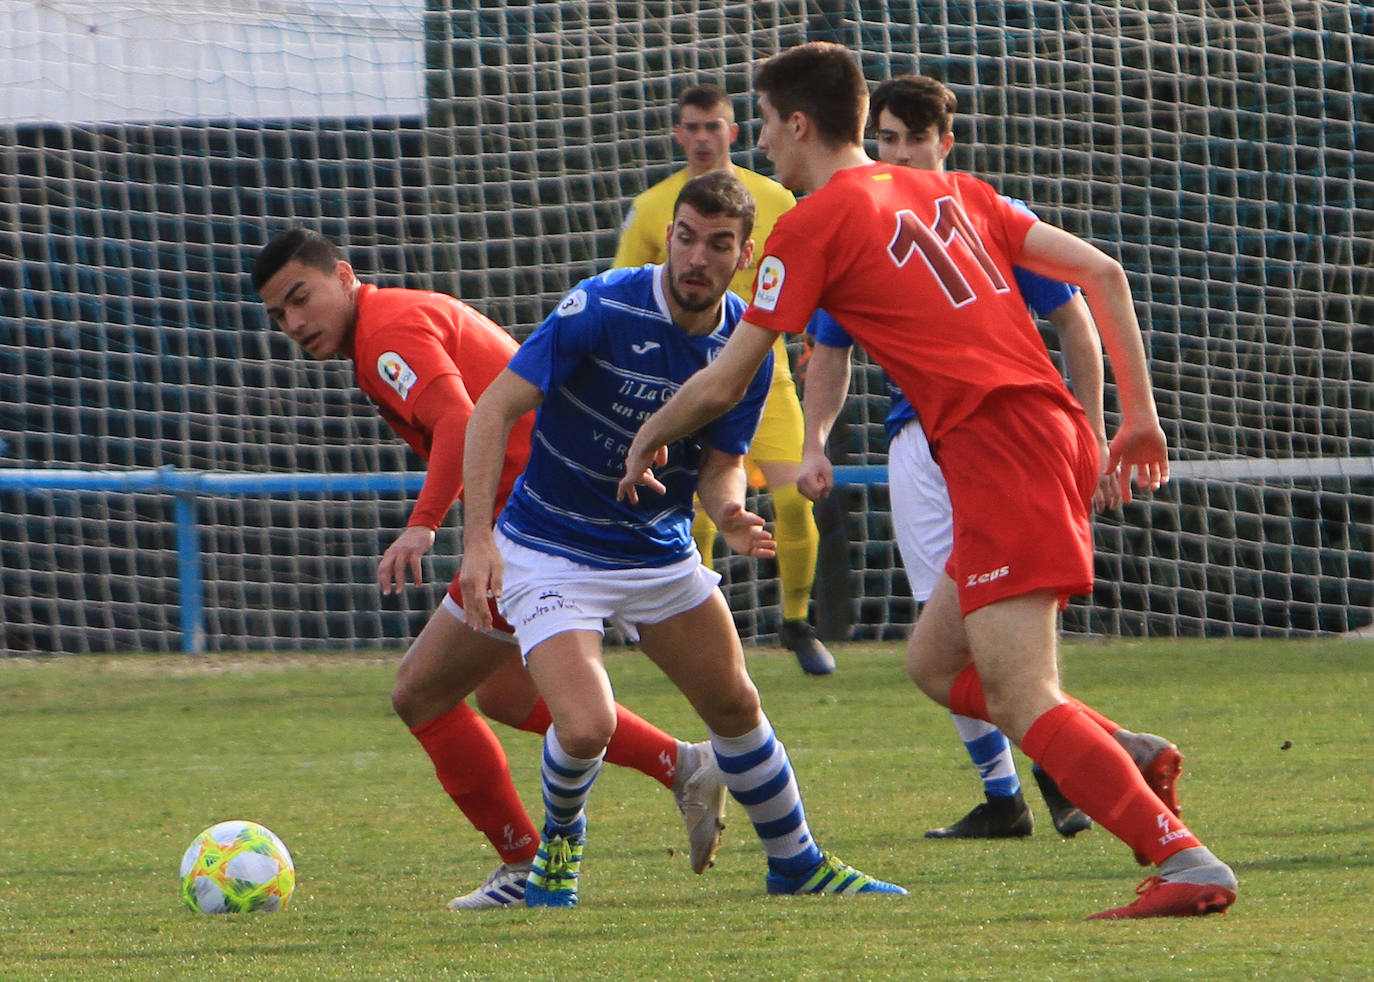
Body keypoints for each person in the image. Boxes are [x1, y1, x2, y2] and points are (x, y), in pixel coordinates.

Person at [619, 43, 1237, 920]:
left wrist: (645, 438)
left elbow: (726, 380)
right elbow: (1104, 272)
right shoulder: (961, 190)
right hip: (1049, 430)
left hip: (999, 446)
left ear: (798, 124)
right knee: (934, 659)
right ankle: (1125, 754)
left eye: (761, 123)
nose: (759, 145)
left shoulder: (811, 222)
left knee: (1022, 695)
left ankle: (1185, 862)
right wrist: (1132, 417)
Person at [459, 171, 905, 907]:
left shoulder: (746, 344)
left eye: (718, 245)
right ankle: (554, 865)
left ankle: (797, 864)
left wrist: (729, 514)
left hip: (656, 553)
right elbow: (492, 410)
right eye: (687, 238)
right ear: (669, 235)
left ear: (746, 255)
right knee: (585, 724)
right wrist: (478, 540)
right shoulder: (600, 306)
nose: (697, 257)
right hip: (551, 550)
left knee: (735, 705)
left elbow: (723, 467)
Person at [250, 228, 728, 910]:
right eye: (278, 316)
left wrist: (424, 526)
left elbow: (458, 418)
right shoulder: (390, 321)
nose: (294, 324)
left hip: (532, 520)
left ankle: (526, 861)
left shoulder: (386, 333)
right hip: (547, 506)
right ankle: (684, 767)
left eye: (300, 299)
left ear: (345, 276)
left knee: (421, 692)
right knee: (503, 695)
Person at [801, 74, 1124, 841]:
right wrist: (815, 438)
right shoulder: (857, 219)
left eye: (916, 137)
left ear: (947, 144)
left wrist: (1092, 429)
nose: (901, 151)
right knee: (941, 628)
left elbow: (1079, 316)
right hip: (922, 440)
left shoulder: (985, 213)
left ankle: (1068, 771)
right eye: (887, 137)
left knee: (993, 627)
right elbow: (830, 348)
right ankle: (1018, 788)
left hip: (1006, 441)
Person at [613, 83, 836, 675]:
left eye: (714, 126)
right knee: (699, 510)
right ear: (677, 135)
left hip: (770, 380)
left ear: (733, 133)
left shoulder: (776, 198)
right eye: (693, 127)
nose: (703, 137)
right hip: (683, 385)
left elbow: (814, 273)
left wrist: (819, 329)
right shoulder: (654, 205)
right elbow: (622, 294)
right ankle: (698, 631)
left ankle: (796, 621)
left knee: (794, 499)